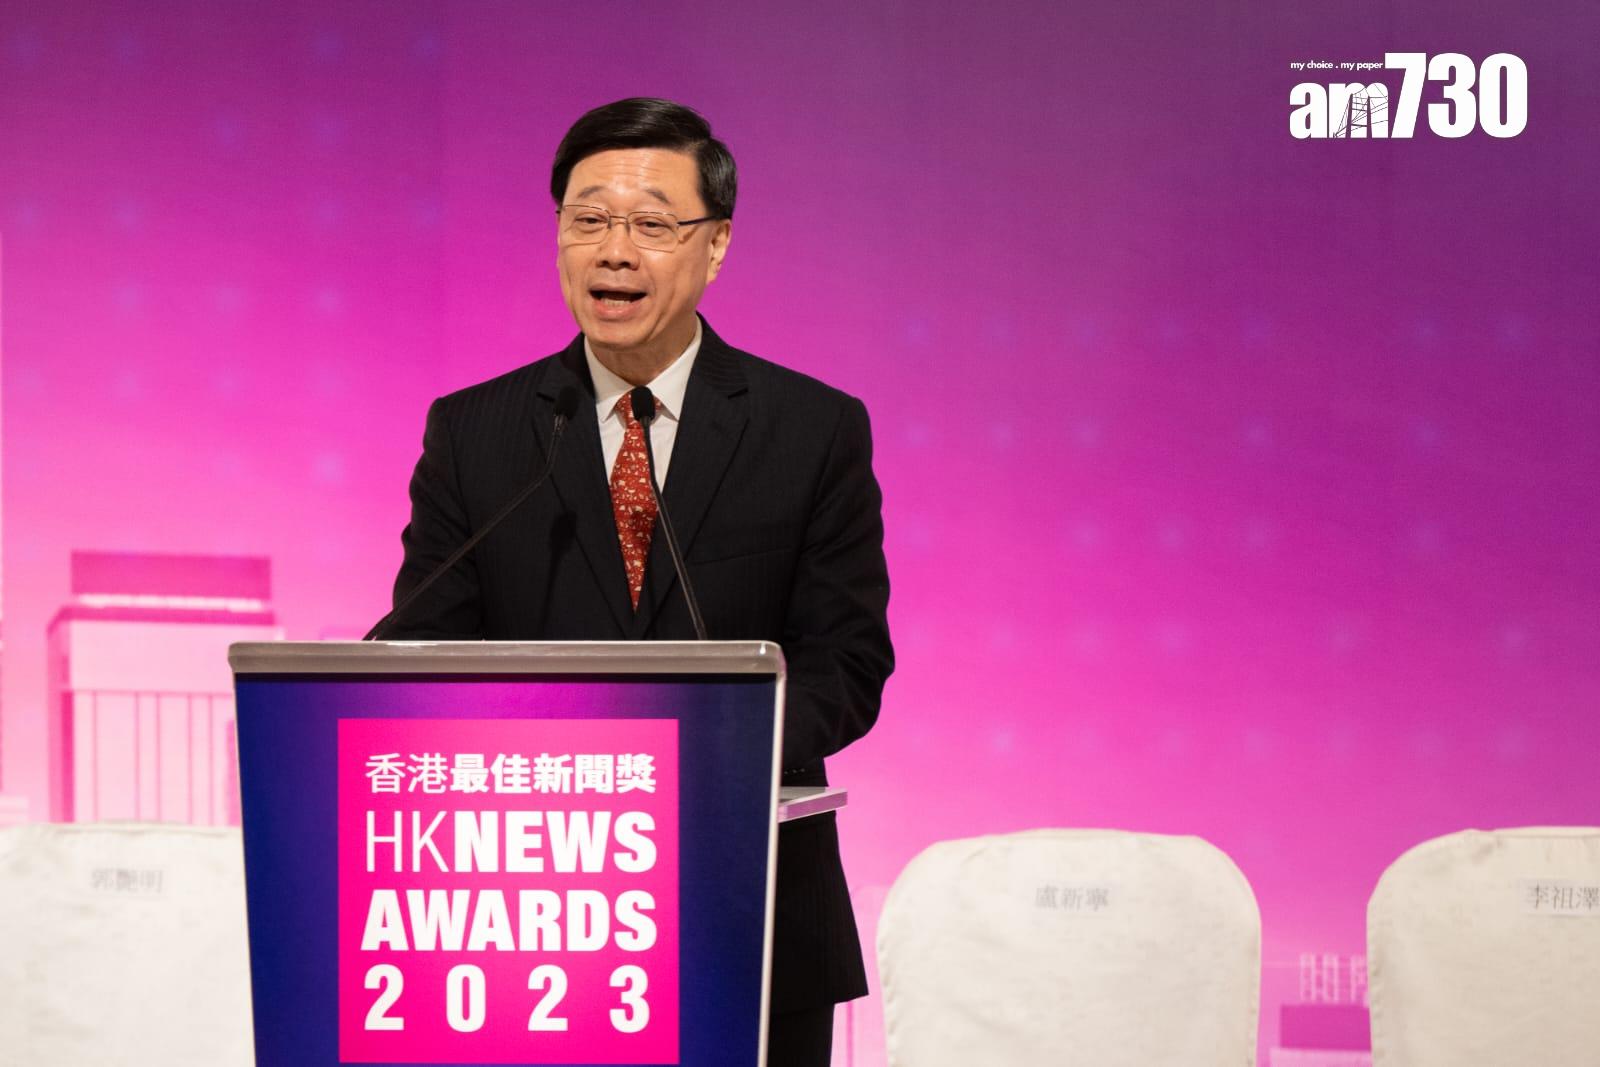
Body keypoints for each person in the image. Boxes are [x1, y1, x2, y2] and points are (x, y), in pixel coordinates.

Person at [384, 97, 893, 1066]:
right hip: (534, 918)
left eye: (652, 224)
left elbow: (847, 660)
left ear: (716, 244)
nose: (614, 251)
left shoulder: (813, 429)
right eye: (588, 219)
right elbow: (422, 644)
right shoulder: (477, 433)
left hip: (751, 911)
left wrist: (695, 754)